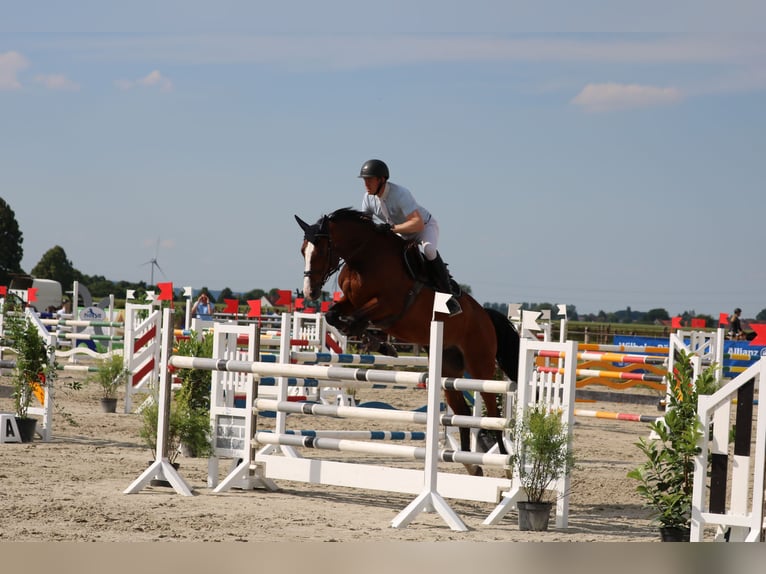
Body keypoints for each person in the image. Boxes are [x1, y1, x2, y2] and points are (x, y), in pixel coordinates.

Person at [358, 158, 461, 316]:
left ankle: (449, 298)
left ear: (382, 179)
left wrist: (391, 229)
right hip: (401, 232)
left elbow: (417, 224)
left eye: (369, 180)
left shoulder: (400, 193)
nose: (366, 184)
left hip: (424, 227)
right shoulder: (368, 198)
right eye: (365, 180)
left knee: (429, 250)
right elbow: (365, 226)